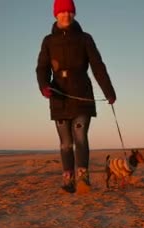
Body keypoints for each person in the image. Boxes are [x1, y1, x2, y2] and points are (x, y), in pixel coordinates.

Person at [36, 0, 116, 194]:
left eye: (69, 12)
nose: (66, 15)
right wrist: (44, 86)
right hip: (59, 97)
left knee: (80, 137)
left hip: (82, 95)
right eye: (62, 12)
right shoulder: (48, 41)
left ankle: (83, 179)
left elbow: (98, 66)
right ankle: (68, 180)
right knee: (65, 142)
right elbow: (42, 68)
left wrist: (109, 91)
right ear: (55, 14)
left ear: (74, 14)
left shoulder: (85, 38)